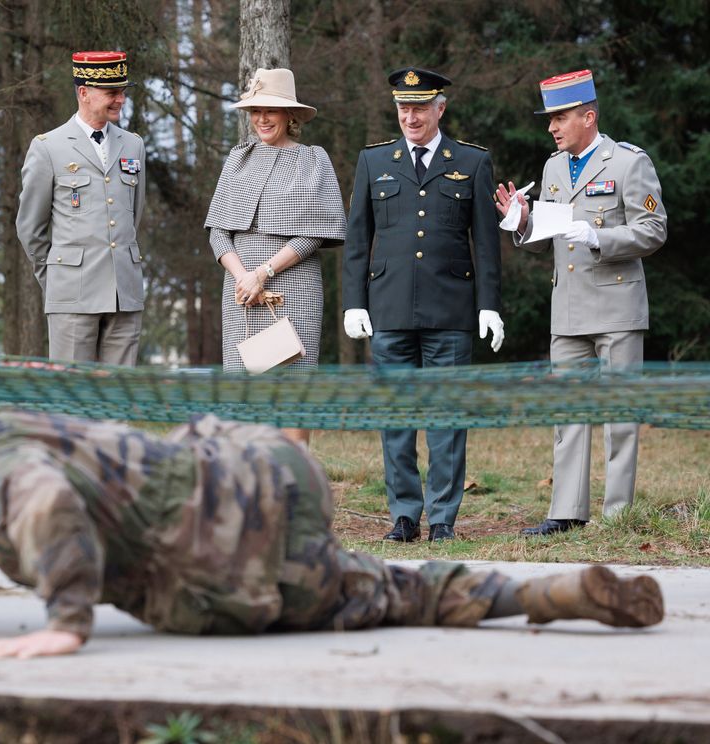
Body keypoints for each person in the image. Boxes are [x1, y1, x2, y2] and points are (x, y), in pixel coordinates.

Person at [0, 407, 664, 659]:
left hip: (227, 567)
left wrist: (64, 625)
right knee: (381, 581)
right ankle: (552, 593)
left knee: (396, 593)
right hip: (258, 463)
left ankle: (527, 596)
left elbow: (48, 509)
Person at [495, 70, 667, 536]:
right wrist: (521, 222)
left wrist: (601, 236)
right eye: (550, 118)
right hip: (568, 308)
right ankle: (568, 511)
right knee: (566, 414)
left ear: (588, 117)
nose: (552, 127)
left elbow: (654, 230)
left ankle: (617, 515)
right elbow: (545, 236)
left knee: (619, 416)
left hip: (616, 305)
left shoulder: (628, 163)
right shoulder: (553, 167)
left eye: (561, 117)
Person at [342, 68, 504, 543]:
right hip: (388, 308)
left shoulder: (471, 162)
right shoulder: (374, 161)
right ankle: (405, 515)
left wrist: (488, 305)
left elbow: (487, 243)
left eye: (419, 107)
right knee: (395, 418)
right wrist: (354, 302)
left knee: (447, 419)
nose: (409, 116)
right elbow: (358, 239)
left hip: (451, 310)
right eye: (402, 108)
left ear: (440, 108)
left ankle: (444, 519)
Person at [204, 68, 347, 446]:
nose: (262, 119)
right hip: (241, 293)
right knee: (243, 383)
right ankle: (250, 484)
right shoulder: (237, 159)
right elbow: (218, 230)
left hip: (293, 287)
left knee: (293, 386)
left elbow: (316, 230)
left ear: (291, 116)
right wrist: (242, 276)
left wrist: (264, 272)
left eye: (271, 110)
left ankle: (294, 483)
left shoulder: (312, 160)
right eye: (255, 111)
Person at [16, 51, 146, 365]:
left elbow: (134, 213)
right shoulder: (48, 147)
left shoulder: (133, 144)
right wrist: (58, 277)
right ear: (84, 93)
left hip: (123, 292)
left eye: (122, 92)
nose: (120, 100)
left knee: (118, 396)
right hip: (71, 294)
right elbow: (30, 227)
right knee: (73, 397)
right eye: (111, 93)